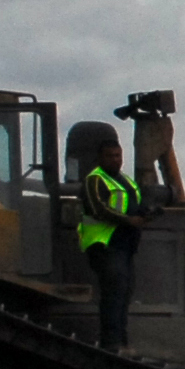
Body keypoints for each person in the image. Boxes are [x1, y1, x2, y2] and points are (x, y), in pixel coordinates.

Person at [69, 120, 146, 352]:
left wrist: (145, 215)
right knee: (113, 294)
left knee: (124, 295)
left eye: (118, 155)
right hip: (104, 245)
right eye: (110, 156)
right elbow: (98, 208)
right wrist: (128, 220)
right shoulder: (95, 179)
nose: (116, 160)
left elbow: (134, 205)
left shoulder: (127, 181)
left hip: (125, 246)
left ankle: (122, 341)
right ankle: (111, 343)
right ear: (100, 158)